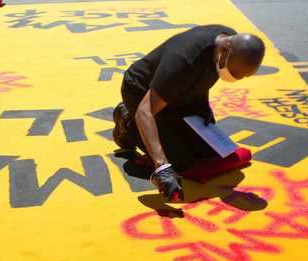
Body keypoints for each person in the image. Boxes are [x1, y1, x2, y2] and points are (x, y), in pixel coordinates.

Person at [113, 25, 265, 201]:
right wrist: (162, 167)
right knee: (180, 162)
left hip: (184, 93)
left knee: (210, 152)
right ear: (224, 49)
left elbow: (203, 74)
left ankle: (168, 125)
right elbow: (145, 112)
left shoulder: (231, 42)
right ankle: (127, 122)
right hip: (143, 92)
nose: (234, 77)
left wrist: (203, 106)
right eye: (233, 71)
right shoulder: (183, 60)